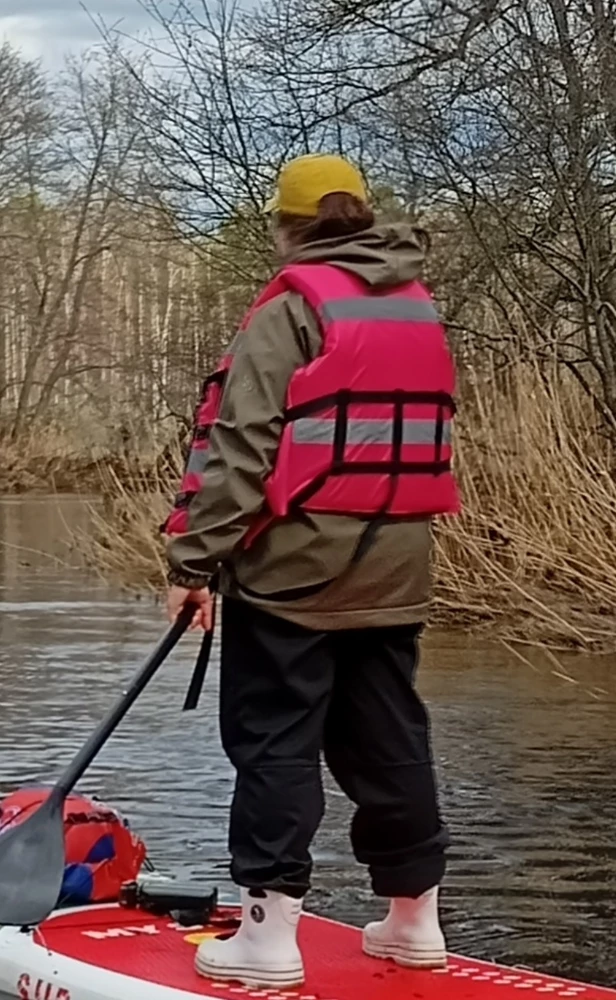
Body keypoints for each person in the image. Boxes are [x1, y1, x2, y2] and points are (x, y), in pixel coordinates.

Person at [165, 153, 459, 988]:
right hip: (399, 566)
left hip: (292, 569)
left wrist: (194, 560)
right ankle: (414, 922)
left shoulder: (292, 305)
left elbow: (241, 446)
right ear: (364, 216)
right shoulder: (417, 301)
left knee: (275, 740)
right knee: (390, 736)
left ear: (285, 225)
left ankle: (266, 938)